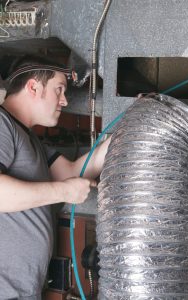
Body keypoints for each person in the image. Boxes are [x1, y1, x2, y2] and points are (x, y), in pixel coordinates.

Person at [0, 55, 110, 299]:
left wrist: (121, 131)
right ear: (33, 87)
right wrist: (64, 192)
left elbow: (71, 173)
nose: (64, 100)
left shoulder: (30, 140)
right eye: (59, 90)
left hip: (22, 290)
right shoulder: (2, 124)